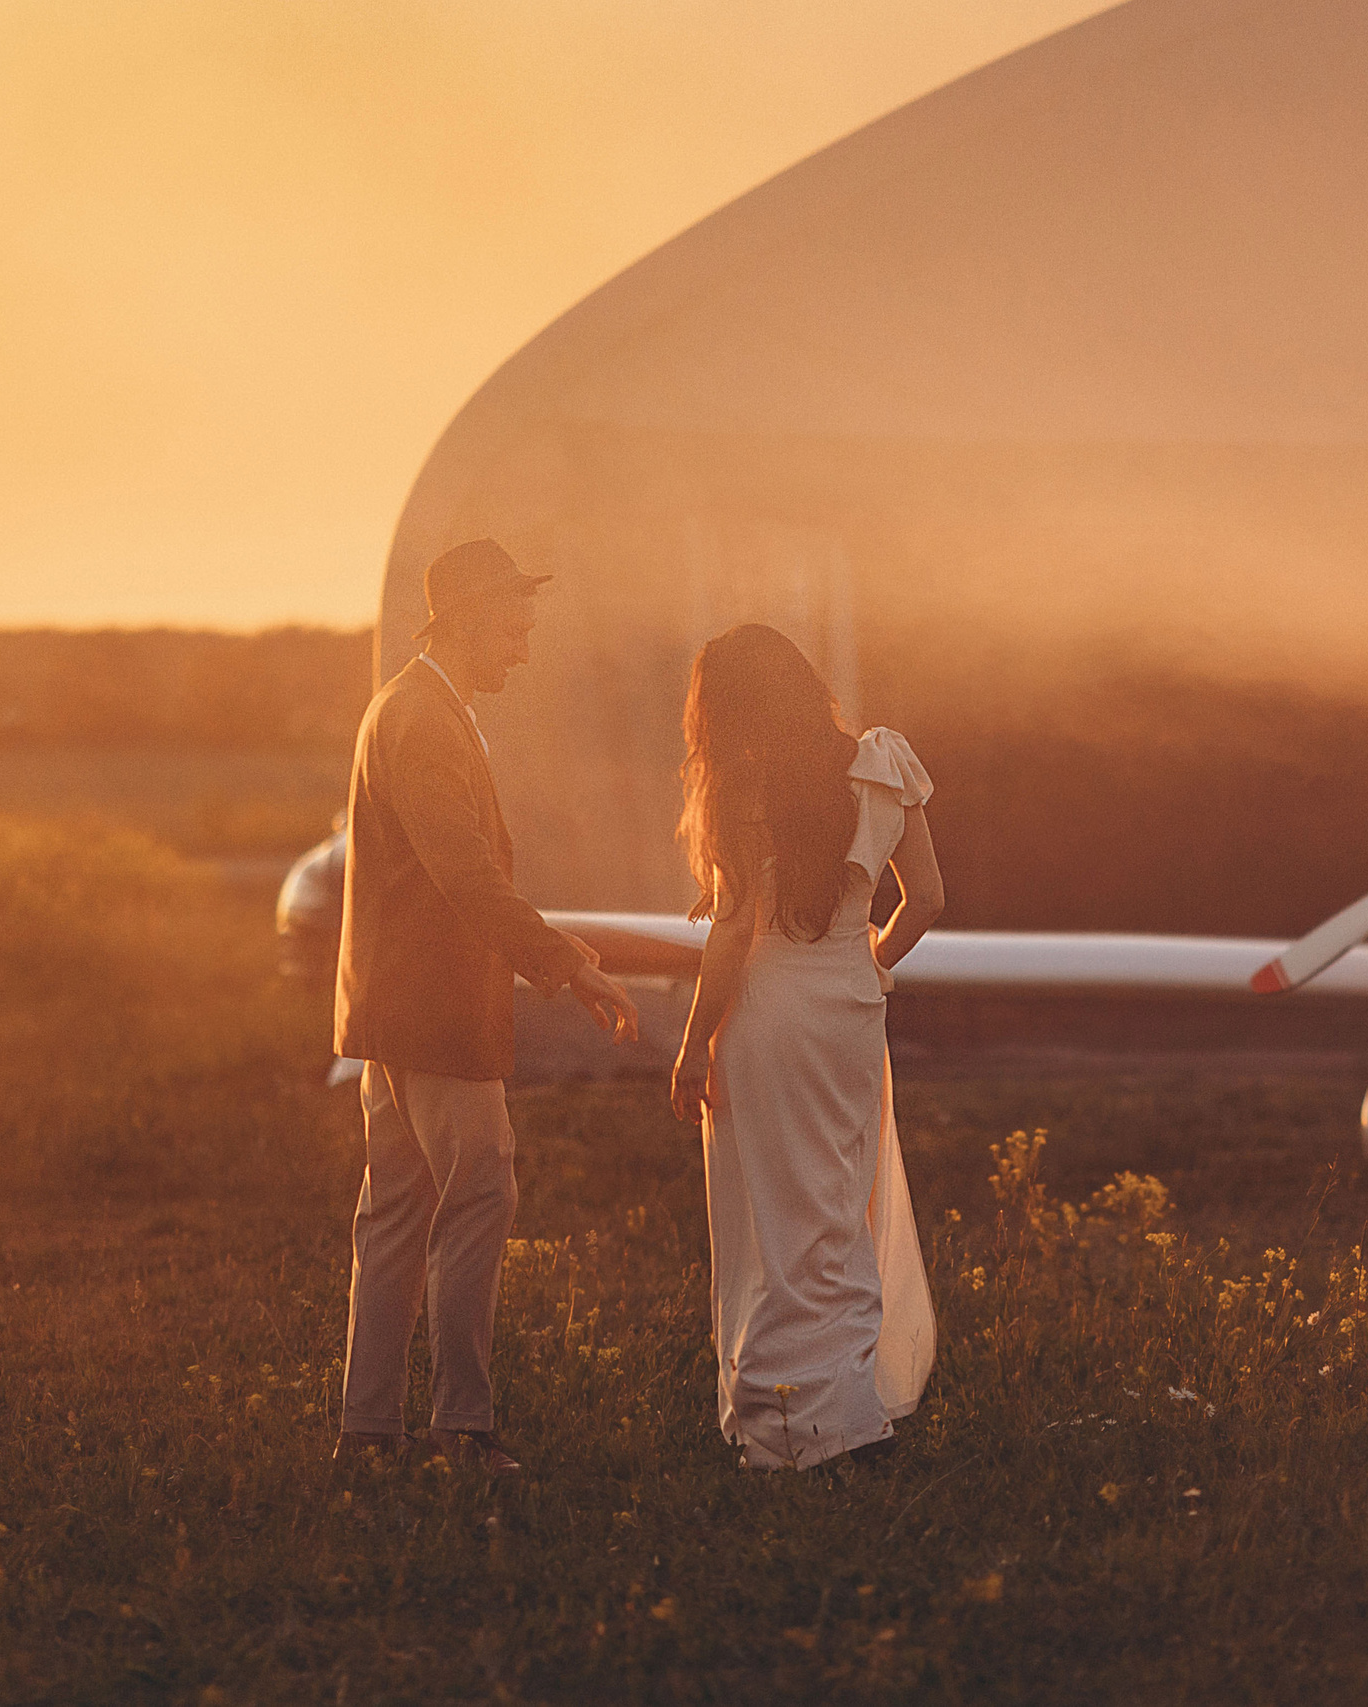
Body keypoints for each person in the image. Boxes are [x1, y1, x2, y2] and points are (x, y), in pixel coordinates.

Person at [331, 537, 641, 1478]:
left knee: (396, 1211)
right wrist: (566, 964)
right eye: (514, 620)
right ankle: (461, 1432)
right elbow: (463, 873)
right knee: (483, 1191)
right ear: (465, 617)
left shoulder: (418, 707)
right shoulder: (423, 720)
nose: (525, 641)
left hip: (397, 1010)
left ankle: (366, 1431)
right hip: (432, 1013)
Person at [670, 624, 944, 1469]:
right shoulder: (884, 762)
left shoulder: (743, 784)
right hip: (851, 1011)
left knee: (772, 1212)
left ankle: (784, 1428)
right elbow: (927, 899)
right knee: (840, 1203)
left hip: (770, 1010)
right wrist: (861, 962)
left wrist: (690, 1048)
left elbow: (734, 933)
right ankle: (852, 1413)